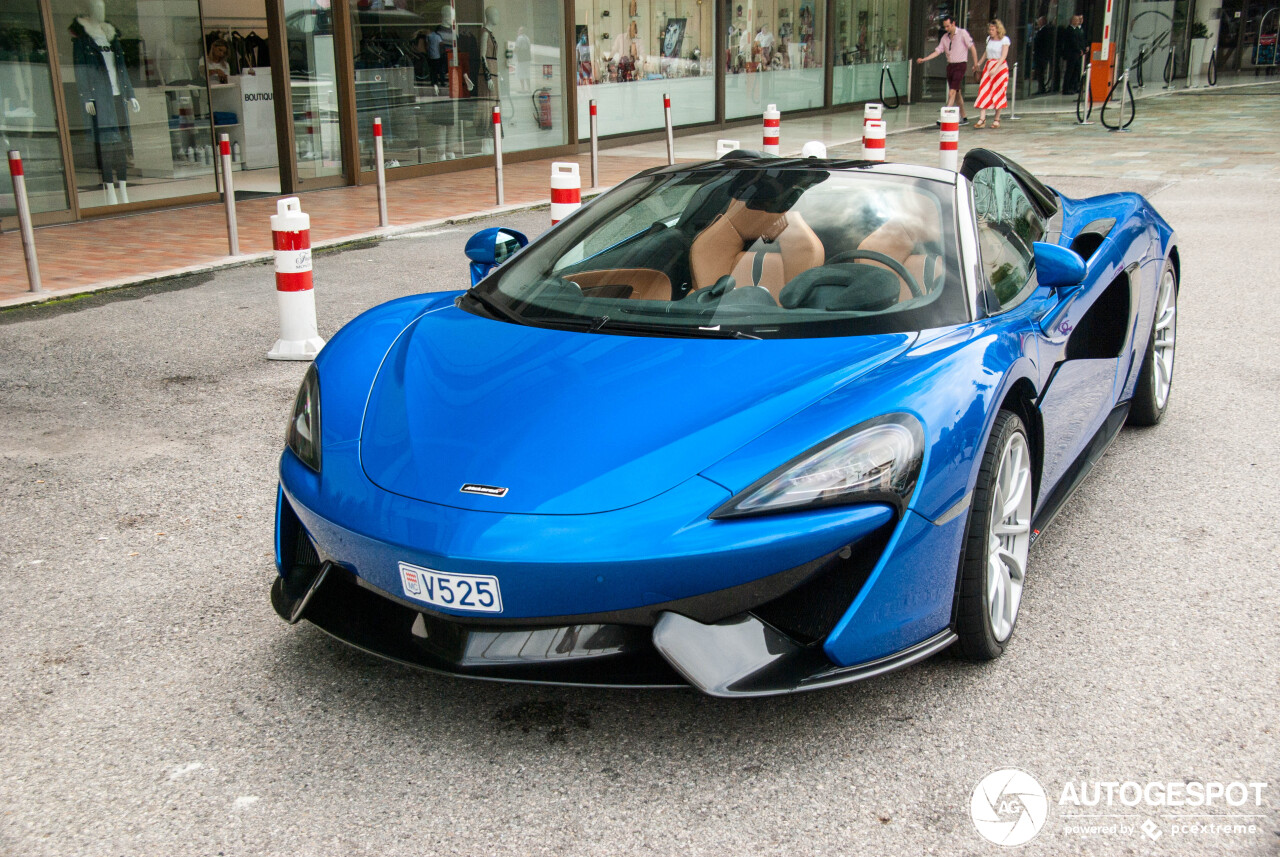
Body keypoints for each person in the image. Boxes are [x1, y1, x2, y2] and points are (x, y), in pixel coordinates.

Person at [917, 15, 977, 124]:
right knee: (957, 93)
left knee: (952, 92)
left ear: (953, 24)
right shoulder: (945, 37)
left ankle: (945, 116)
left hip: (960, 65)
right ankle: (964, 117)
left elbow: (972, 47)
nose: (947, 29)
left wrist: (976, 64)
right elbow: (938, 51)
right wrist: (924, 59)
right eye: (945, 27)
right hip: (950, 66)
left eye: (948, 26)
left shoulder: (962, 33)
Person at [973, 20, 1010, 128]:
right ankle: (982, 118)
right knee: (984, 90)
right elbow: (986, 52)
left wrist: (996, 67)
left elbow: (1003, 56)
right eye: (989, 29)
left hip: (1000, 67)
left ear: (998, 29)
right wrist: (979, 63)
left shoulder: (1004, 40)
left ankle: (996, 119)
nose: (990, 31)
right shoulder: (988, 39)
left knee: (999, 91)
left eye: (992, 29)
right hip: (989, 65)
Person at [1061, 15, 1088, 94]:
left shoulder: (1078, 30)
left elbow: (1081, 40)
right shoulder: (1069, 30)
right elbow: (1073, 42)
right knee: (1069, 71)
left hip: (1077, 54)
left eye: (1078, 20)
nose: (1078, 22)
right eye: (1076, 20)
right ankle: (1066, 88)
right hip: (1071, 54)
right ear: (1072, 21)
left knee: (1076, 71)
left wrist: (1084, 48)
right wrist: (1079, 49)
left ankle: (1074, 87)